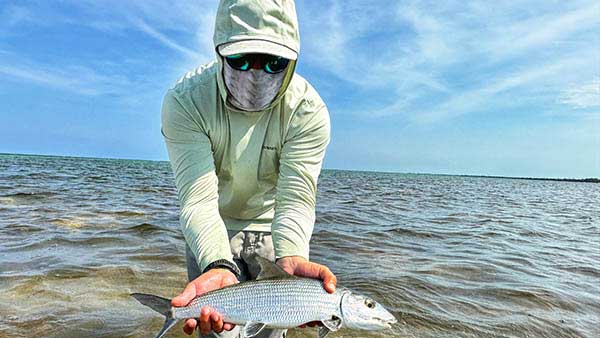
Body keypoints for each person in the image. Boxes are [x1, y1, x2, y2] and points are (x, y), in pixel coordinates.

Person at [161, 0, 335, 337]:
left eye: (274, 63)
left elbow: (296, 200)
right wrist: (217, 262)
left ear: (293, 60)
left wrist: (293, 254)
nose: (256, 74)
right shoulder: (185, 101)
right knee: (215, 327)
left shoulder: (308, 112)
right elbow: (198, 201)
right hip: (211, 227)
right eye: (240, 61)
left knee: (271, 332)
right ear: (219, 53)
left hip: (275, 232)